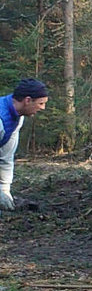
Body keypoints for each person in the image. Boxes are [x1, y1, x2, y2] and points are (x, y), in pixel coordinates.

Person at [0, 78, 49, 210]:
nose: (43, 108)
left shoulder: (17, 119)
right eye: (41, 103)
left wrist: (4, 190)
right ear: (27, 100)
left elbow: (6, 157)